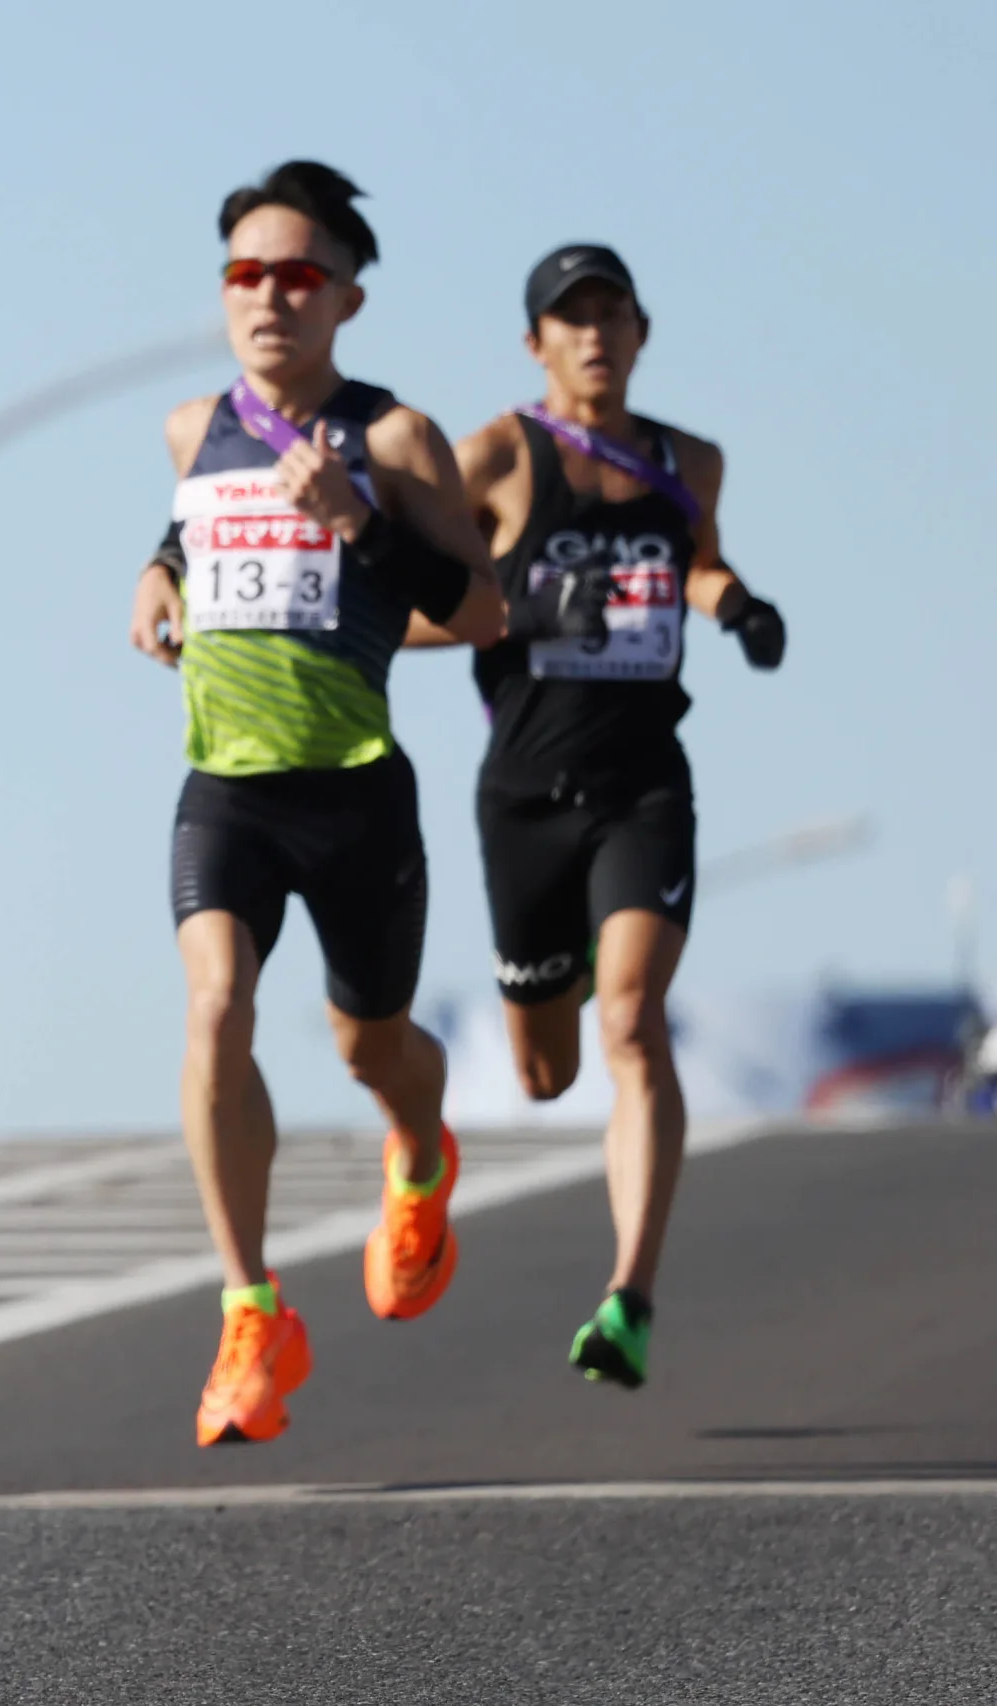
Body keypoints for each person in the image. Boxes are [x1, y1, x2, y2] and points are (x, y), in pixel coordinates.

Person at [129, 162, 504, 1448]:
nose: (268, 297)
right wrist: (157, 569)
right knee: (215, 1005)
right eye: (245, 274)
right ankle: (250, 1309)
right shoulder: (193, 427)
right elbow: (194, 529)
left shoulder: (395, 440)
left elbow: (480, 609)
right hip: (226, 787)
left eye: (296, 276)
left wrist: (360, 520)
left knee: (367, 1047)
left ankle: (419, 1149)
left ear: (345, 295)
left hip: (355, 792)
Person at [454, 245, 786, 1389]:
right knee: (545, 1071)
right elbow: (423, 583)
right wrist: (533, 600)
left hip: (644, 783)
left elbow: (693, 563)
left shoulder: (688, 459)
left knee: (635, 1021)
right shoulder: (497, 452)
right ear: (534, 343)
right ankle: (568, 981)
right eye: (570, 318)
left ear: (641, 333)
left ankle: (628, 1295)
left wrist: (734, 603)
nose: (594, 335)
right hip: (524, 795)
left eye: (612, 315)